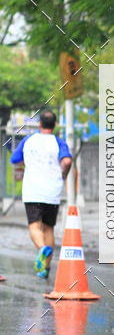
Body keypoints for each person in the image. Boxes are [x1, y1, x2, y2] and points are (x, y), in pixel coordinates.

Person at [10, 109, 72, 279]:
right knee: (49, 228)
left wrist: (27, 164)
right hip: (53, 191)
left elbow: (15, 160)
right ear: (55, 125)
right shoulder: (59, 142)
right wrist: (64, 174)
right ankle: (45, 268)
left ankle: (42, 249)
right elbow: (66, 161)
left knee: (34, 225)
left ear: (39, 124)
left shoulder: (28, 140)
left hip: (33, 190)